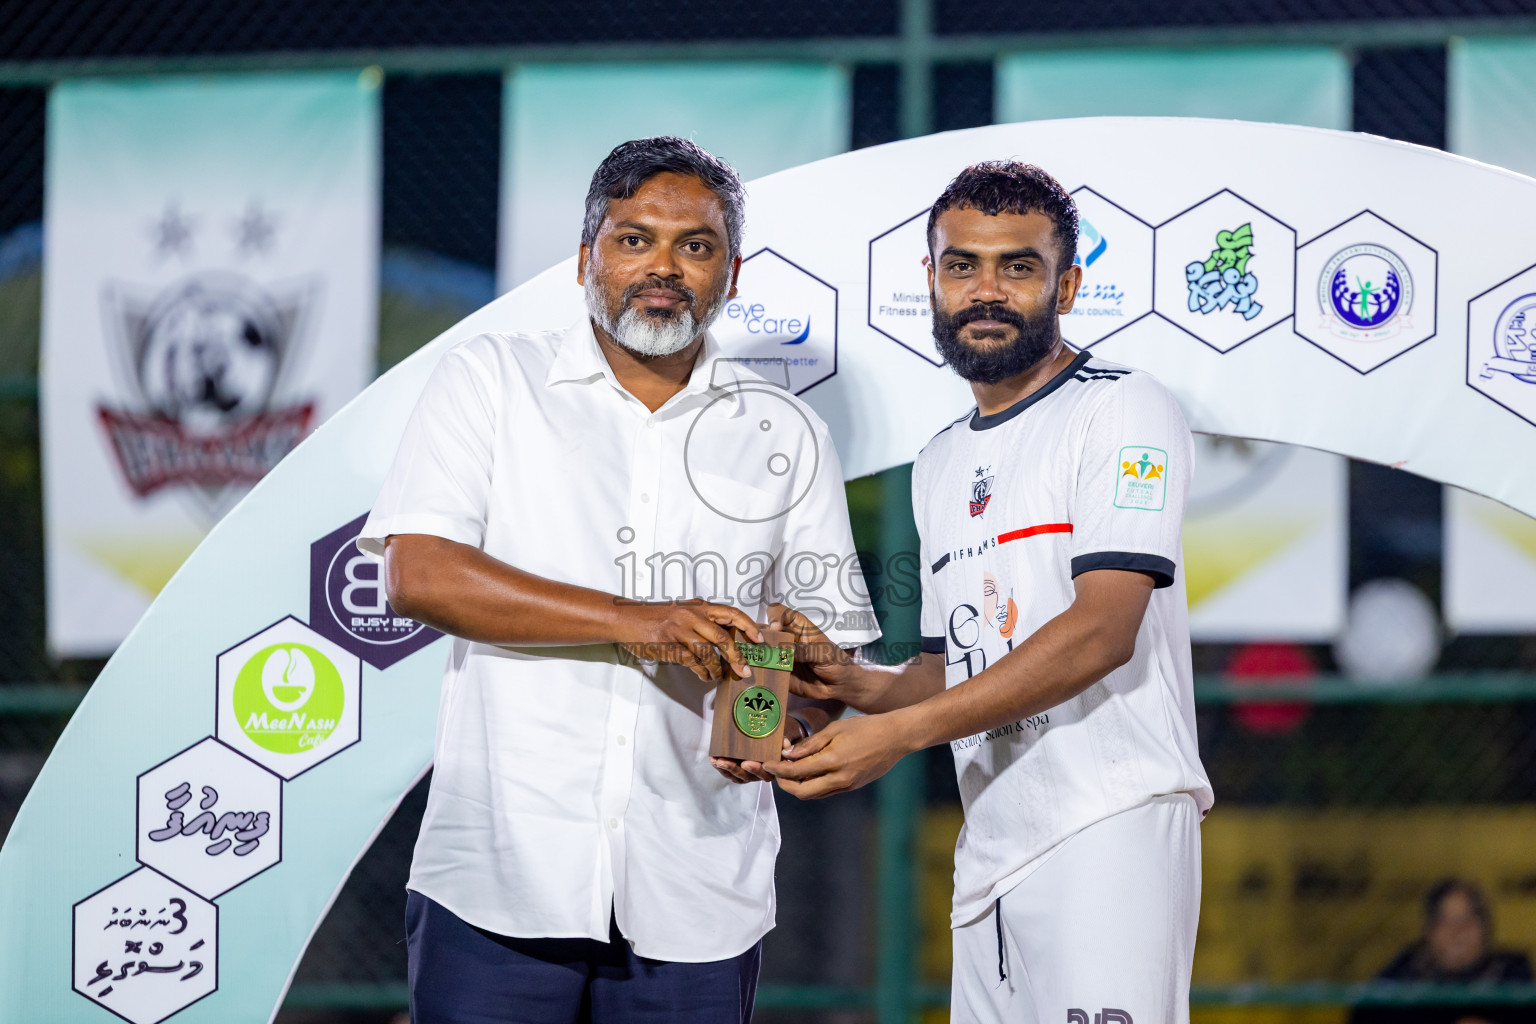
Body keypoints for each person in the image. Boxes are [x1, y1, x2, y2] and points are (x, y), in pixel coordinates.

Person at [359, 136, 879, 1024]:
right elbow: (421, 576)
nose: (664, 268)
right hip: (498, 877)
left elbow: (823, 672)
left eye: (697, 245)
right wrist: (639, 621)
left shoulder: (789, 432)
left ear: (734, 273)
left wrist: (782, 710)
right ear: (584, 259)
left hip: (699, 890)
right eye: (634, 239)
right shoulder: (491, 380)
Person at [765, 161, 1212, 1023]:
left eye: (1018, 266)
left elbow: (1102, 632)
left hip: (1109, 823)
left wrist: (893, 736)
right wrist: (857, 687)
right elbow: (952, 669)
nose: (986, 290)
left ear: (1067, 284)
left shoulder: (1125, 411)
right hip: (993, 849)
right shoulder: (937, 462)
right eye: (962, 264)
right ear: (929, 280)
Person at [1351, 878, 1535, 1024]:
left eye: (1468, 920)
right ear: (1429, 932)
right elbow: (1363, 1015)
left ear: (1485, 929)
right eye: (1445, 922)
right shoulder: (1408, 968)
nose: (1457, 932)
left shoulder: (1511, 969)